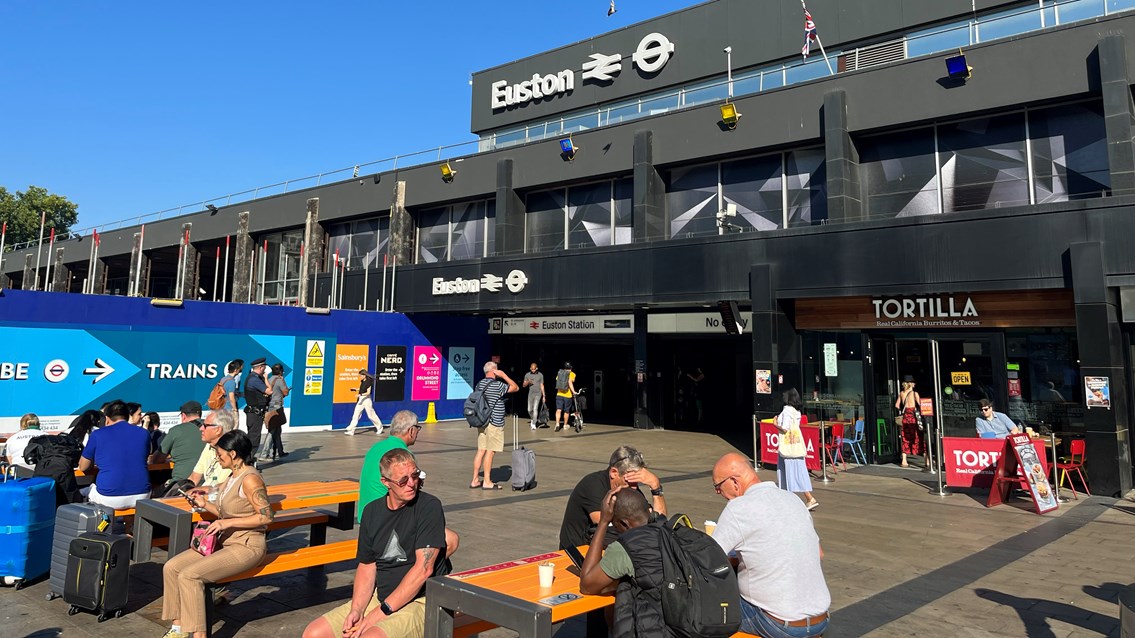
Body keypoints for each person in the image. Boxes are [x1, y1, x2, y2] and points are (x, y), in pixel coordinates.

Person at [302, 448, 454, 638]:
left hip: (422, 601)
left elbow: (423, 570)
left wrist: (378, 615)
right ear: (386, 483)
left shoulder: (428, 506)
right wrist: (357, 610)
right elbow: (367, 565)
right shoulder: (372, 512)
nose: (412, 484)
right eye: (403, 480)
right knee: (314, 633)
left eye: (415, 475)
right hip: (381, 597)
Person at [160, 431, 272, 638]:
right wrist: (204, 504)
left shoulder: (250, 480)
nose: (217, 458)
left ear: (233, 454)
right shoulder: (232, 477)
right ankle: (178, 628)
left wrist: (226, 522)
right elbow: (227, 512)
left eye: (220, 454)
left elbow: (266, 517)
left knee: (190, 576)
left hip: (248, 546)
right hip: (226, 542)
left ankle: (198, 635)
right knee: (172, 567)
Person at [711, 452, 830, 638]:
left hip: (778, 623)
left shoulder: (738, 508)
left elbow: (709, 560)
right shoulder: (793, 499)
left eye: (718, 486)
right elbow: (819, 553)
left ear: (734, 481)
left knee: (709, 611)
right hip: (821, 618)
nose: (718, 492)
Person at [578, 487, 672, 637]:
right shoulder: (672, 531)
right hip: (684, 623)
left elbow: (587, 585)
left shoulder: (628, 547)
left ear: (624, 523)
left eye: (615, 526)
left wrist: (603, 522)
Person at [559, 445, 667, 550]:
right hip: (578, 551)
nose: (634, 488)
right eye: (629, 480)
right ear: (614, 473)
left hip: (607, 549)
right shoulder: (593, 485)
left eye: (637, 482)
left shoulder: (630, 488)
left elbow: (659, 522)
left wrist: (656, 487)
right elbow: (607, 529)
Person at [78, 399, 152, 509]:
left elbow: (83, 467)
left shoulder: (97, 434)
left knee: (84, 491)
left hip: (109, 497)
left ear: (107, 419)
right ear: (127, 416)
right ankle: (130, 526)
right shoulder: (144, 433)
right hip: (143, 495)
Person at [358, 410, 422, 519]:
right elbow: (407, 490)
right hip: (385, 516)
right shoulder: (402, 454)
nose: (418, 432)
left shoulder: (376, 447)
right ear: (411, 430)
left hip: (365, 513)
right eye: (417, 428)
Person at [469, 361, 517, 490]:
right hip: (494, 422)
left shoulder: (480, 384)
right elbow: (515, 387)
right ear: (494, 371)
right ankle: (487, 481)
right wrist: (504, 375)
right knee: (490, 452)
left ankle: (474, 479)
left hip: (482, 421)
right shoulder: (497, 385)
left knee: (481, 450)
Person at [151, 401, 208, 495]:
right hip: (207, 483)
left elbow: (156, 460)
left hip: (182, 484)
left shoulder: (176, 430)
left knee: (153, 492)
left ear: (183, 416)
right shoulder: (211, 429)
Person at [774, 388, 818, 510]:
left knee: (787, 472)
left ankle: (794, 500)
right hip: (796, 445)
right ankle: (807, 498)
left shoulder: (787, 410)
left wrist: (775, 424)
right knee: (798, 471)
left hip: (787, 446)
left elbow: (785, 428)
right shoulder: (797, 412)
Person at [185, 410, 237, 492]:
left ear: (218, 430)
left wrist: (200, 490)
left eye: (205, 425)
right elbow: (194, 478)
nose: (201, 428)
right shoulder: (209, 446)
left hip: (219, 498)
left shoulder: (234, 451)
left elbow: (233, 483)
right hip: (204, 497)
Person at [242, 357, 271, 461]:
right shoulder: (255, 379)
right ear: (261, 367)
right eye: (264, 367)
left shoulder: (252, 378)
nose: (265, 370)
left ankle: (248, 460)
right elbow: (269, 391)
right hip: (255, 413)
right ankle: (247, 461)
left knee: (252, 437)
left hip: (254, 412)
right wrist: (266, 379)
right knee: (254, 439)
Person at [894, 376, 925, 468]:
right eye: (913, 382)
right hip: (913, 418)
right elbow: (921, 404)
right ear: (910, 384)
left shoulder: (902, 393)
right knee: (918, 437)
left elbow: (896, 405)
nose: (914, 384)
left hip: (905, 418)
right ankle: (927, 460)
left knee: (905, 438)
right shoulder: (914, 393)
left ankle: (904, 460)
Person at [345, 368, 383, 435]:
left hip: (366, 399)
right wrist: (356, 389)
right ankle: (351, 430)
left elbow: (368, 392)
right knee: (356, 414)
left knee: (371, 415)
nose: (360, 377)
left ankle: (379, 427)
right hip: (361, 399)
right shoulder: (362, 381)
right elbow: (362, 389)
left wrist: (360, 394)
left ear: (364, 375)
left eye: (360, 376)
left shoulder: (369, 382)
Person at [264, 363, 290, 459]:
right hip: (276, 406)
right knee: (273, 430)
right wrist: (284, 383)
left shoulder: (269, 380)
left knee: (277, 430)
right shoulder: (279, 380)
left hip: (270, 406)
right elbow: (285, 392)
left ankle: (280, 451)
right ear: (280, 372)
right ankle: (264, 453)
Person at [554, 362, 577, 432]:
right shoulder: (572, 374)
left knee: (558, 410)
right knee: (566, 411)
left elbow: (557, 380)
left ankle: (557, 424)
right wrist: (574, 392)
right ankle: (565, 425)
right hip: (568, 395)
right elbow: (570, 382)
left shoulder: (560, 373)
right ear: (571, 368)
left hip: (559, 394)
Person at [522, 362, 546, 431]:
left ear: (537, 368)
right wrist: (527, 382)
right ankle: (533, 419)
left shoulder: (540, 375)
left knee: (535, 408)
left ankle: (534, 423)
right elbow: (523, 385)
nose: (533, 370)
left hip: (538, 394)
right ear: (530, 368)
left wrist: (544, 395)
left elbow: (542, 385)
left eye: (534, 369)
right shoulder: (527, 375)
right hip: (531, 393)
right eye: (532, 369)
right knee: (529, 409)